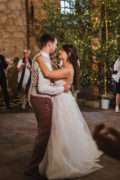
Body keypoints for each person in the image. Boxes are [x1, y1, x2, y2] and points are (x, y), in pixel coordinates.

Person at [37, 44, 103, 179]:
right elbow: (60, 76)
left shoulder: (68, 69)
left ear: (68, 54)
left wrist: (39, 60)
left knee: (61, 132)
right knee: (62, 131)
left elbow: (48, 74)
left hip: (62, 103)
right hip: (62, 101)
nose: (59, 51)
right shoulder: (65, 67)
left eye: (62, 50)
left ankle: (65, 162)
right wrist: (54, 64)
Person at [25, 34, 70, 180]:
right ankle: (32, 167)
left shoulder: (40, 57)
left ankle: (41, 163)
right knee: (44, 135)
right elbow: (43, 88)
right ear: (49, 44)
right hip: (42, 100)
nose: (57, 47)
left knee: (44, 133)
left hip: (37, 99)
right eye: (56, 44)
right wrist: (61, 90)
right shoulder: (43, 59)